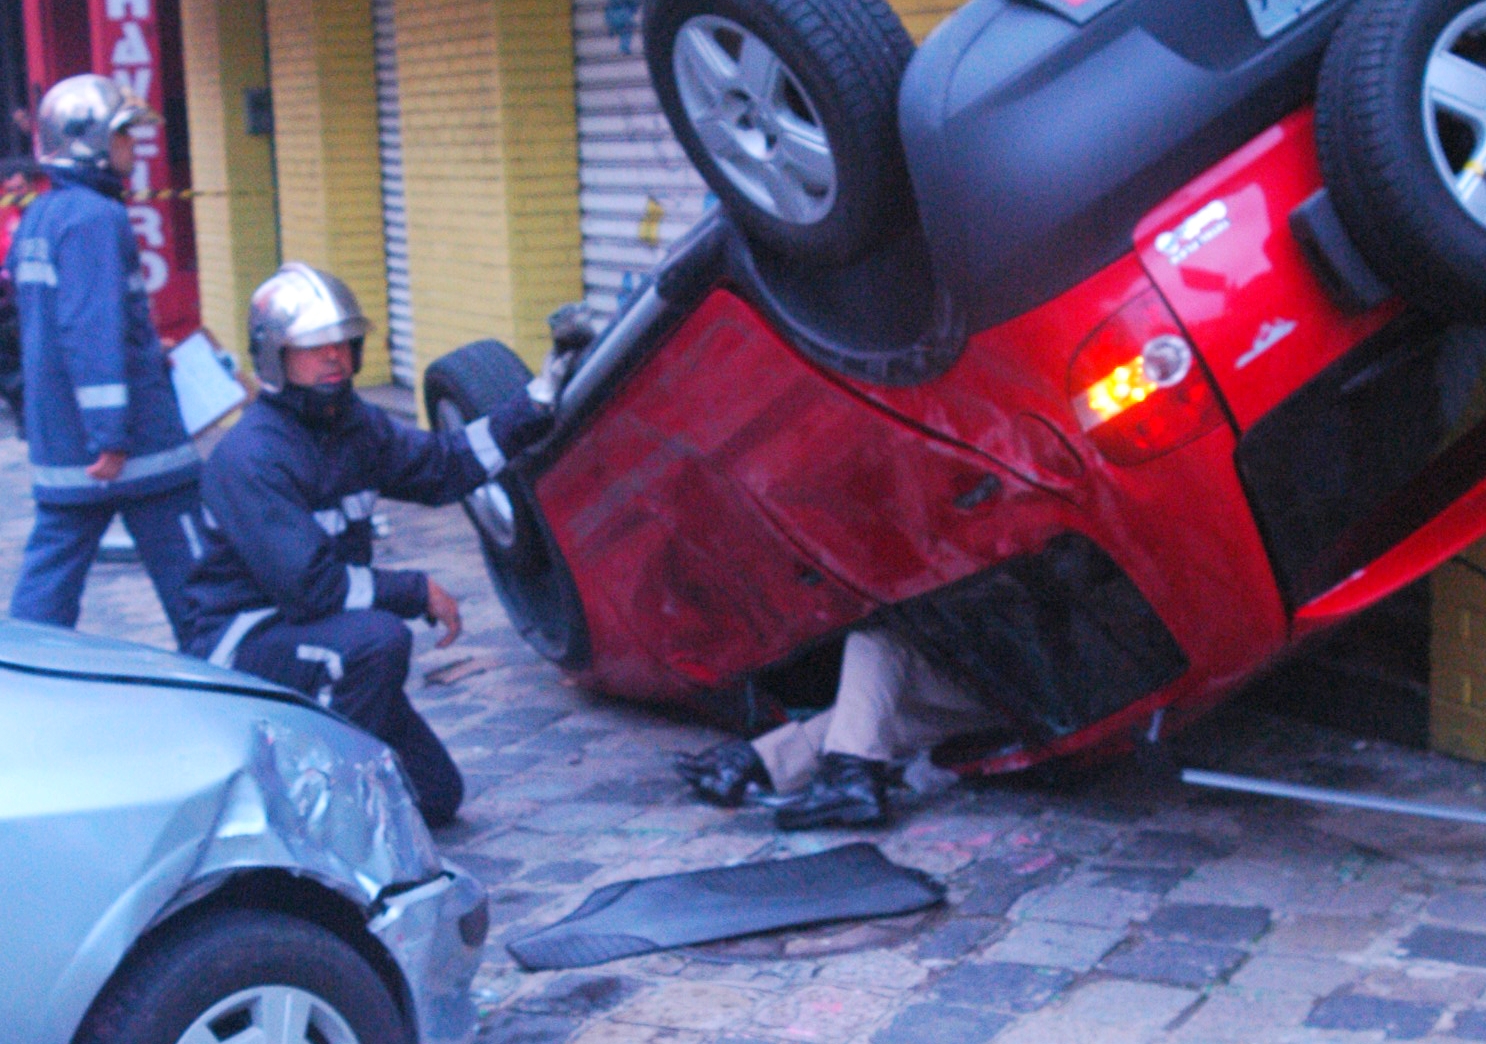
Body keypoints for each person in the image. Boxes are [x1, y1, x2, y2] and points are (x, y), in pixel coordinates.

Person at [181, 262, 554, 828]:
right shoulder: (251, 455)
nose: (335, 357)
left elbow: (444, 466)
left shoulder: (354, 424)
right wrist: (415, 590)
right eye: (313, 347)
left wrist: (537, 402)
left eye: (344, 343)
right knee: (378, 640)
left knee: (436, 797)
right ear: (274, 357)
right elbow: (312, 588)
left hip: (317, 632)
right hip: (246, 641)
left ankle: (332, 780)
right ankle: (301, 814)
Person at [6, 75, 202, 644]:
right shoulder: (97, 218)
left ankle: (26, 687)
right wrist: (111, 434)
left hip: (64, 446)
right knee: (201, 592)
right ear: (88, 141)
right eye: (123, 137)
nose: (133, 149)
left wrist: (144, 351)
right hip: (134, 451)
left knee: (44, 600)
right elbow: (90, 330)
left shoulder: (42, 216)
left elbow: (58, 325)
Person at [675, 627, 1007, 829]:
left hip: (1020, 687)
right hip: (1011, 695)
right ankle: (752, 762)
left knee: (879, 644)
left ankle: (850, 782)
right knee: (877, 715)